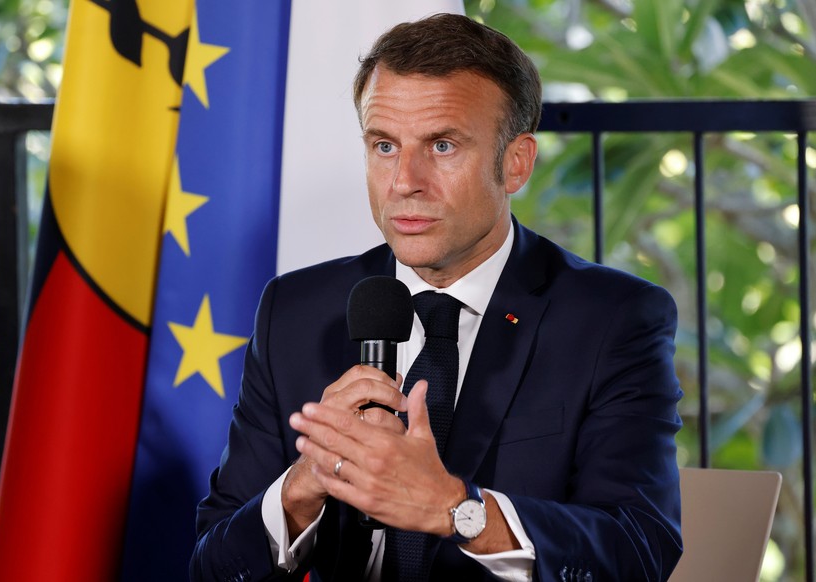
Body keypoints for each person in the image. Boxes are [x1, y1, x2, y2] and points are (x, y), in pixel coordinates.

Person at [191, 13, 682, 582]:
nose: (404, 180)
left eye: (442, 145)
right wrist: (302, 488)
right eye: (384, 145)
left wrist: (455, 510)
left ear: (515, 162)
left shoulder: (614, 319)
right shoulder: (296, 311)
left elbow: (639, 551)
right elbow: (211, 566)